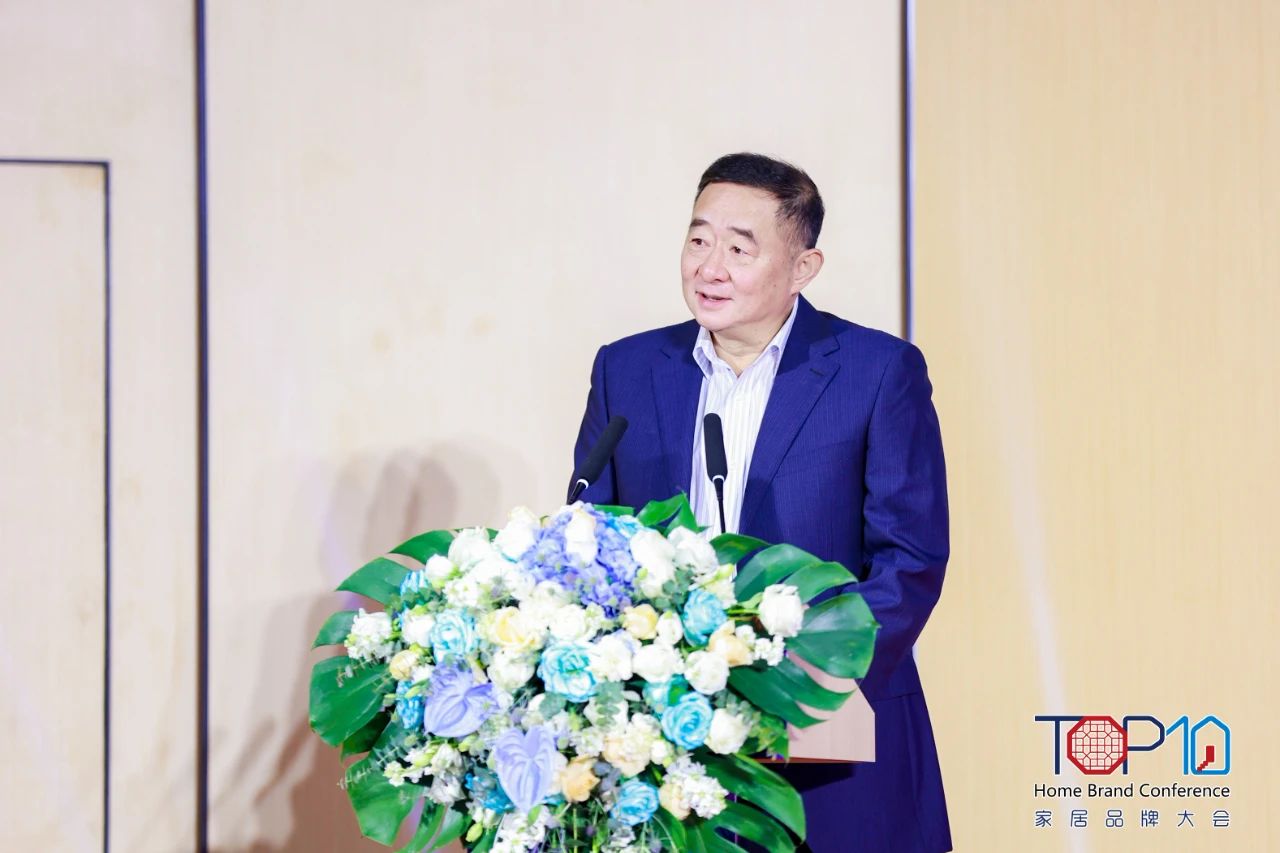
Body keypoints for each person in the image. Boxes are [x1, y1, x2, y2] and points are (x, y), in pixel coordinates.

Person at [572, 152, 951, 852]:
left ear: (803, 267)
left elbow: (910, 560)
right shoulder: (627, 369)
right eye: (698, 240)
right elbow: (594, 540)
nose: (709, 267)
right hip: (666, 745)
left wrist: (800, 677)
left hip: (831, 738)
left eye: (739, 249)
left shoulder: (875, 372)